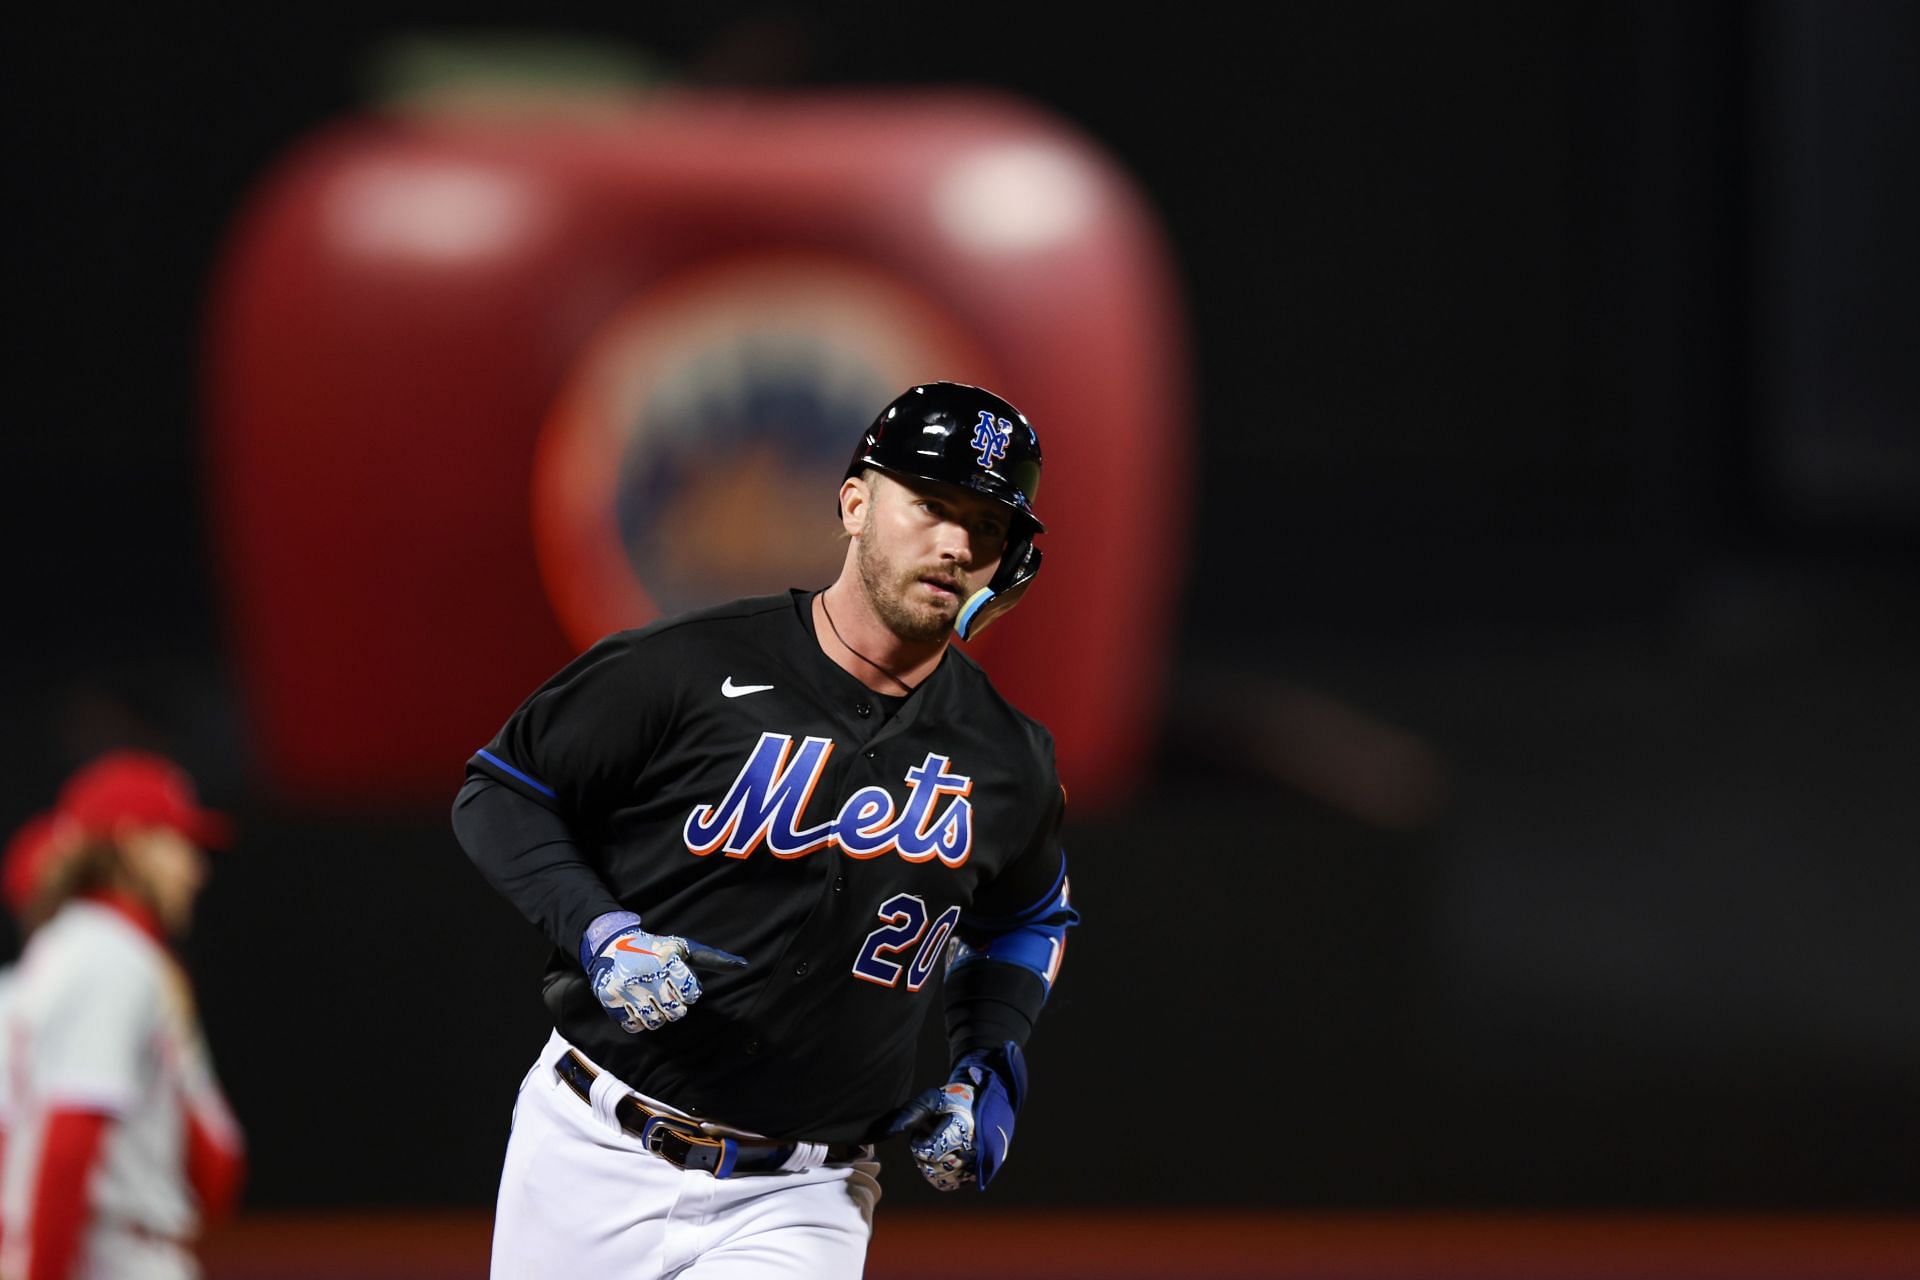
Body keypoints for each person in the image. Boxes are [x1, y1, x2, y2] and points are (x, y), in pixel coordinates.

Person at [453, 381, 1080, 1278]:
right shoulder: (683, 667)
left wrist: (989, 1064)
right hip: (588, 1149)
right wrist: (602, 935)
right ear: (856, 503)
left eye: (987, 525)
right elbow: (503, 792)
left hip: (804, 1197)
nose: (955, 543)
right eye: (931, 506)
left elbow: (1029, 917)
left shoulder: (1008, 758)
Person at [0, 751, 247, 1280]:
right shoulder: (109, 956)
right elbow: (69, 1135)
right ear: (134, 843)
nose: (195, 869)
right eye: (179, 843)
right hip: (110, 1255)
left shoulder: (83, 950)